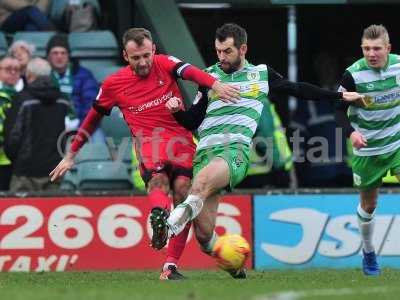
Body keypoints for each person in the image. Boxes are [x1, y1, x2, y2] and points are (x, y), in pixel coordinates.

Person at [154, 23, 363, 279]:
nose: (222, 57)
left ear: (243, 49)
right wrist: (177, 111)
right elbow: (193, 121)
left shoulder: (261, 75)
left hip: (234, 151)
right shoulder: (208, 76)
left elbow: (297, 89)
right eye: (218, 51)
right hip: (205, 153)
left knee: (200, 184)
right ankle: (234, 263)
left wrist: (338, 97)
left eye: (227, 51)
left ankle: (175, 219)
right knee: (204, 235)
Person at [49, 27, 239, 280]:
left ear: (154, 51)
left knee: (184, 193)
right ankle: (159, 217)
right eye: (136, 57)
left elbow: (191, 72)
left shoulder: (164, 63)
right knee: (159, 182)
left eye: (146, 55)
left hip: (181, 140)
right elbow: (92, 119)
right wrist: (71, 154)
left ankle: (169, 265)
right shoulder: (113, 84)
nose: (143, 62)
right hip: (150, 142)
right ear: (126, 57)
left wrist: (215, 84)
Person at [335, 24, 400, 276]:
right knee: (369, 205)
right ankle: (369, 252)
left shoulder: (398, 67)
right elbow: (337, 109)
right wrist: (352, 133)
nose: (371, 53)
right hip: (367, 150)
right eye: (366, 49)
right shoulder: (352, 76)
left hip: (396, 144)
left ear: (388, 49)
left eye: (376, 48)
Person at [4, 58, 69, 191]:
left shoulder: (21, 99)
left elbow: (12, 137)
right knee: (52, 210)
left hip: (25, 173)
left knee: (21, 209)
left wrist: (16, 161)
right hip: (54, 170)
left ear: (28, 75)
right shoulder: (63, 99)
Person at [46, 34, 100, 136]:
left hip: (82, 125)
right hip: (50, 128)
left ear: (68, 56)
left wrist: (80, 129)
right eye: (55, 53)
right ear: (48, 56)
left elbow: (92, 105)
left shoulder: (84, 75)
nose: (59, 56)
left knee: (98, 141)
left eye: (63, 53)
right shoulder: (43, 75)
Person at [0, 56, 22, 190]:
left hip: (15, 161)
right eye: (8, 69)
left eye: (17, 69)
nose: (13, 72)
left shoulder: (24, 95)